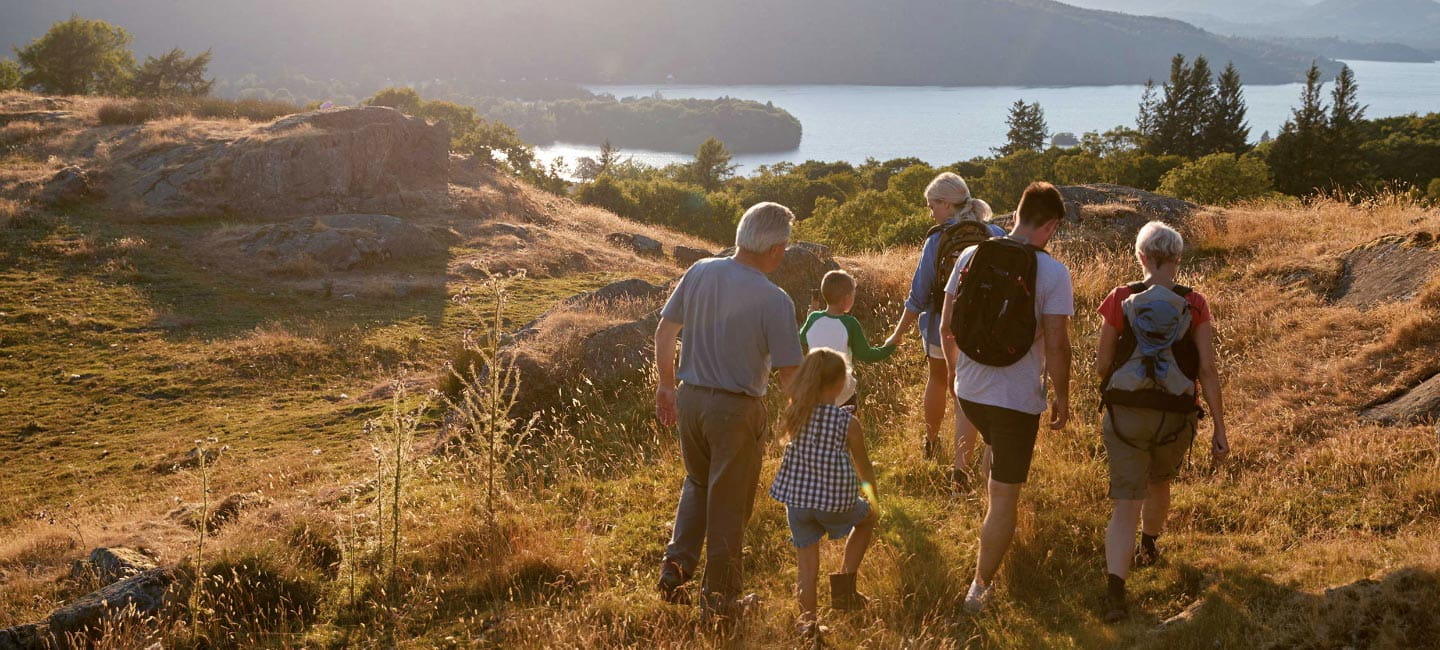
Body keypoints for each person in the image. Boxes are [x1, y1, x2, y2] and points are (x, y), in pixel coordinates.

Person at [654, 202, 805, 621]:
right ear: (775, 248)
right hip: (736, 411)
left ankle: (676, 568)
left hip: (690, 399)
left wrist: (666, 385)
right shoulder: (775, 300)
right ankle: (720, 601)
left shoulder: (700, 270)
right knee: (730, 503)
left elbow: (666, 331)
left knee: (698, 482)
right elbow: (790, 373)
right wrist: (807, 421)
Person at [939, 181, 1073, 613]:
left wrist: (956, 373)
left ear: (1016, 214)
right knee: (1004, 498)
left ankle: (985, 527)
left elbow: (947, 327)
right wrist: (1062, 397)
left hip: (970, 391)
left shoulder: (971, 254)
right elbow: (1057, 345)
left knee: (993, 457)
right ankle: (980, 588)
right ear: (1050, 226)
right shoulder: (1052, 272)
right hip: (1014, 401)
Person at [1095, 221, 1229, 623]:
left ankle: (1116, 593)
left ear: (1141, 257)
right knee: (1159, 483)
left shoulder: (1119, 298)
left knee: (1124, 504)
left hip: (1126, 413)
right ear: (1177, 259)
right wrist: (1220, 428)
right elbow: (1206, 369)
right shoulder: (1196, 303)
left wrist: (1110, 392)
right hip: (1175, 413)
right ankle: (1149, 547)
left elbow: (1102, 362)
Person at [884, 172, 1003, 483]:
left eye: (932, 205)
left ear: (947, 205)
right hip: (985, 331)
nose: (931, 212)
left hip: (942, 326)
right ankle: (962, 464)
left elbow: (918, 295)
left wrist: (897, 334)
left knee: (938, 381)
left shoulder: (937, 239)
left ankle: (932, 442)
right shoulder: (995, 233)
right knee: (971, 391)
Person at [768, 348, 880, 640]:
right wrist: (873, 498)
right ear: (840, 384)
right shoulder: (847, 423)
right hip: (835, 503)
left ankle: (807, 627)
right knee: (866, 520)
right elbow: (864, 467)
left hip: (798, 503)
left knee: (806, 567)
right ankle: (845, 588)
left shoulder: (795, 415)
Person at [799, 270, 897, 411]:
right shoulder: (850, 323)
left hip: (814, 392)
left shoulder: (813, 318)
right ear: (846, 299)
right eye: (853, 296)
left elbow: (801, 338)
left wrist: (809, 319)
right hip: (842, 393)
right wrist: (890, 346)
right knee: (846, 431)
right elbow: (867, 355)